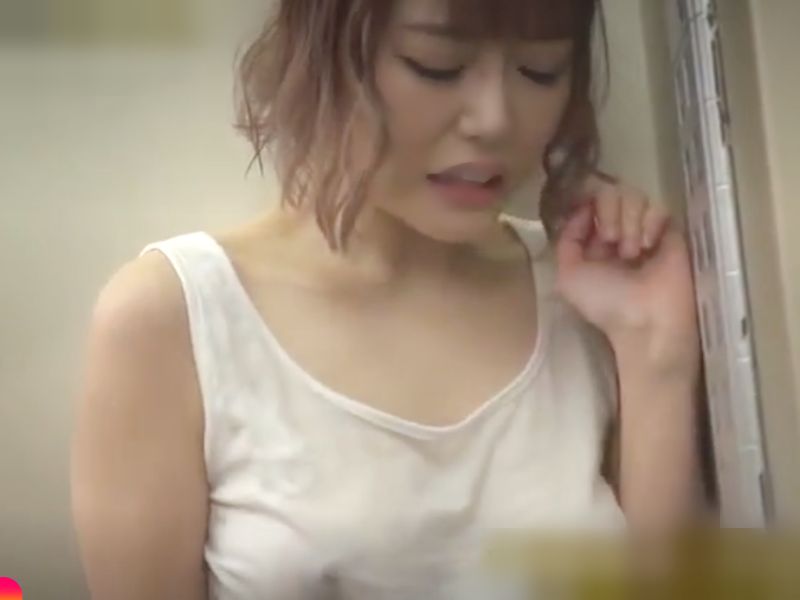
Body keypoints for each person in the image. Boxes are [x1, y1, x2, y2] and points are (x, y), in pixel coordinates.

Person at [71, 0, 704, 598]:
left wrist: (657, 360)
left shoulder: (585, 293)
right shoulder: (174, 318)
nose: (495, 119)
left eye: (541, 71)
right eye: (436, 66)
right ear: (322, 52)